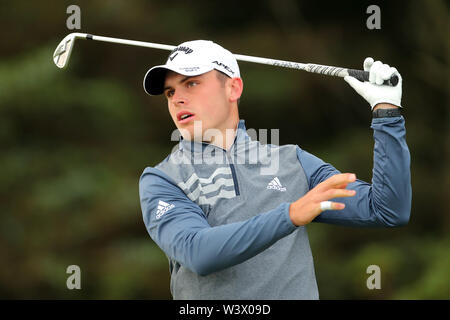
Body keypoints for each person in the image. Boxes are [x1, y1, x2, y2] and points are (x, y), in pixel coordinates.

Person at [138, 40, 411, 299]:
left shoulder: (291, 161)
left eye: (191, 84)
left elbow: (387, 209)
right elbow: (198, 253)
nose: (177, 100)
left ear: (233, 88)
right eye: (170, 92)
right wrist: (290, 214)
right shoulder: (163, 178)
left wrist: (386, 114)